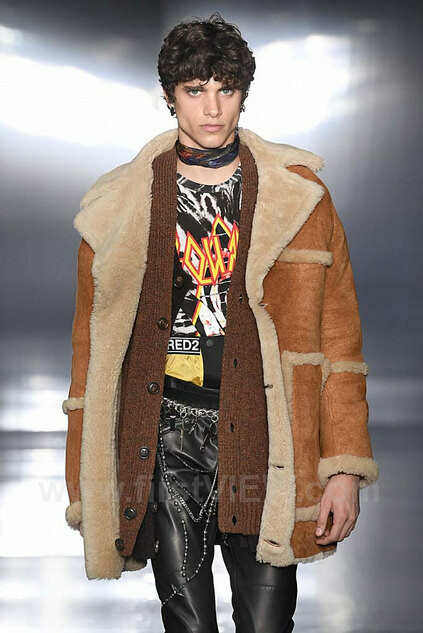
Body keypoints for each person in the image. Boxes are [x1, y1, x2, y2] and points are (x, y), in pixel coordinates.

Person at [62, 11, 379, 633]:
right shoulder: (118, 205)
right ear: (169, 96)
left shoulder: (300, 199)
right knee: (188, 624)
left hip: (264, 436)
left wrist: (344, 465)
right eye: (195, 90)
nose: (212, 108)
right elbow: (89, 353)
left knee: (267, 623)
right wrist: (84, 480)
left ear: (243, 93)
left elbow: (340, 343)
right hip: (165, 435)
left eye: (225, 90)